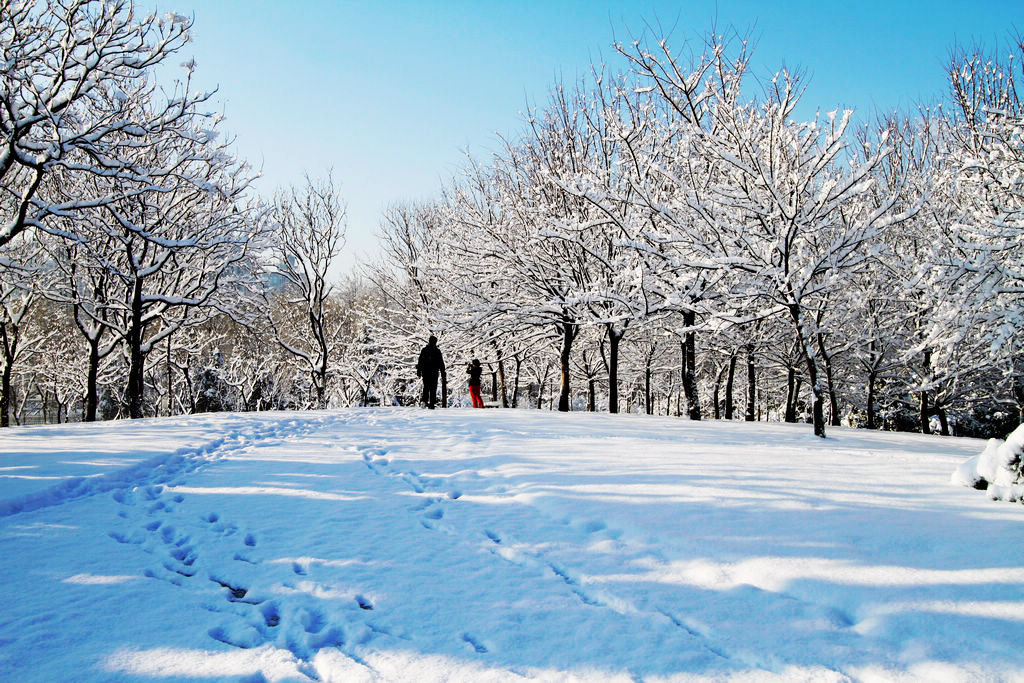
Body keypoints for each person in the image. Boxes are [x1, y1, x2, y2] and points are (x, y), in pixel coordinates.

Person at [416, 335, 446, 409]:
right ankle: (432, 403)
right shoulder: (437, 351)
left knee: (426, 387)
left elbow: (420, 361)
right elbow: (441, 363)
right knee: (433, 388)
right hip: (434, 372)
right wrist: (443, 373)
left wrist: (419, 371)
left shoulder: (424, 350)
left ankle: (424, 401)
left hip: (425, 372)